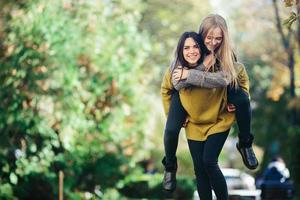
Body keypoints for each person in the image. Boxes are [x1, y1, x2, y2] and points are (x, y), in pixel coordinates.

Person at [161, 14, 257, 199]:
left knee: (209, 162)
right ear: (201, 34)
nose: (213, 42)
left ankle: (245, 143)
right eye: (209, 37)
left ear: (224, 38)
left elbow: (227, 79)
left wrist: (235, 102)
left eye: (219, 38)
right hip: (194, 121)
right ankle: (170, 166)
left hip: (218, 118)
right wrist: (199, 68)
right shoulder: (184, 57)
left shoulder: (227, 58)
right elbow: (174, 86)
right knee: (200, 169)